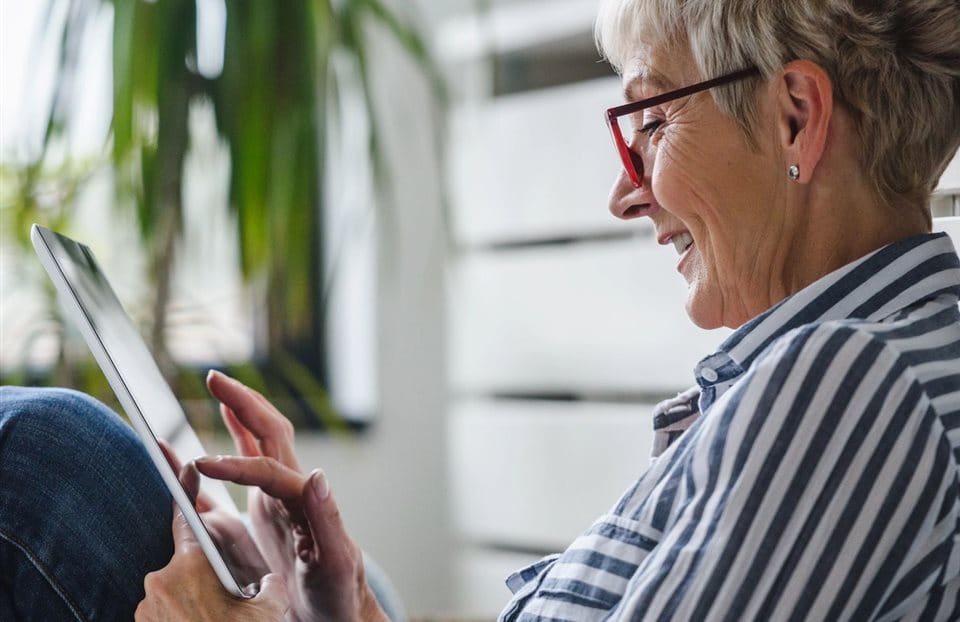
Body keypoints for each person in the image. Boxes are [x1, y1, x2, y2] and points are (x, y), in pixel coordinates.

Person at [2, 0, 960, 618]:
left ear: (796, 114)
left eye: (651, 120)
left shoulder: (850, 385)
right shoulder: (858, 369)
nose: (625, 194)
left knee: (44, 458)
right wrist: (345, 611)